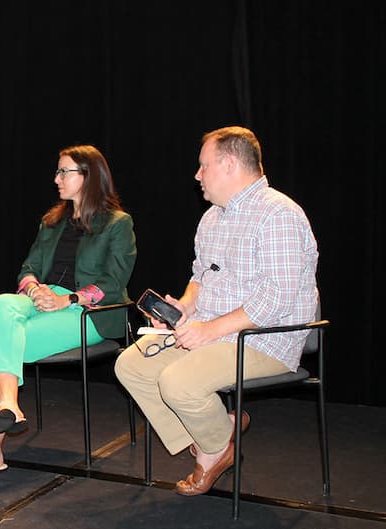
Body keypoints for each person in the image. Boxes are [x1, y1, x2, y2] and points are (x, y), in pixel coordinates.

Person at [115, 126, 318, 496]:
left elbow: (277, 299)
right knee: (131, 365)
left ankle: (214, 451)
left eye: (203, 165)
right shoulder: (212, 218)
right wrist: (185, 306)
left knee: (178, 382)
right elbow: (200, 277)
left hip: (265, 339)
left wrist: (209, 330)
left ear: (229, 165)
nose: (197, 175)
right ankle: (216, 434)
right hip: (214, 331)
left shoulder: (279, 214)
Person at [0, 144, 136, 476]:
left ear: (89, 176)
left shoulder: (117, 223)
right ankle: (8, 404)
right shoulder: (52, 222)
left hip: (87, 312)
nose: (56, 179)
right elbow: (28, 268)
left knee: (2, 341)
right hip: (43, 300)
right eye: (57, 171)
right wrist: (35, 289)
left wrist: (67, 300)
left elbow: (113, 283)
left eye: (64, 171)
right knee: (2, 303)